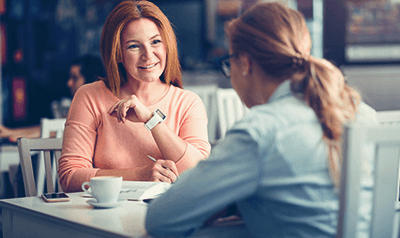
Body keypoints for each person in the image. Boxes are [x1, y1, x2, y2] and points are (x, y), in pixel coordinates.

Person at [145, 2, 377, 237]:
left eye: (230, 63)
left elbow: (160, 220)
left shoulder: (260, 131)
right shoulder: (362, 113)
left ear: (245, 63)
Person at [58, 0, 211, 192]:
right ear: (118, 53)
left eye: (156, 41)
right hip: (102, 217)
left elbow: (199, 175)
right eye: (133, 46)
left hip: (165, 215)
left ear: (167, 46)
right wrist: (139, 176)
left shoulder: (188, 103)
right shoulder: (89, 96)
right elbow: (70, 177)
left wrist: (151, 120)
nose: (148, 55)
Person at [0, 54, 104, 142]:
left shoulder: (97, 110)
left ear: (91, 80)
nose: (69, 83)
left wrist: (15, 134)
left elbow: (56, 130)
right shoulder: (75, 106)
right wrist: (11, 132)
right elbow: (52, 127)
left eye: (75, 78)